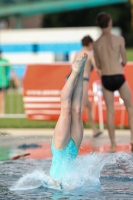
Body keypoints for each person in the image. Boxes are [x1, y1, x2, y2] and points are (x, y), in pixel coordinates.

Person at [93, 12, 133, 152]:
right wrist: (118, 66)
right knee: (130, 108)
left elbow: (98, 65)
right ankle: (132, 140)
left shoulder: (96, 44)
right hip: (118, 76)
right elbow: (125, 61)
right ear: (110, 23)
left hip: (106, 78)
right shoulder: (119, 39)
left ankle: (113, 145)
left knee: (110, 112)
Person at [50, 53, 88, 184]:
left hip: (60, 149)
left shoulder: (56, 188)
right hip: (73, 149)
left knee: (66, 110)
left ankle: (74, 72)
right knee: (76, 110)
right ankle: (81, 70)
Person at [73, 36, 102, 137]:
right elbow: (97, 69)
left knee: (88, 106)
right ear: (90, 43)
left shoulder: (77, 54)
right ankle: (73, 132)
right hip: (84, 81)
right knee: (80, 108)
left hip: (76, 81)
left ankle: (94, 130)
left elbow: (72, 69)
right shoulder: (90, 54)